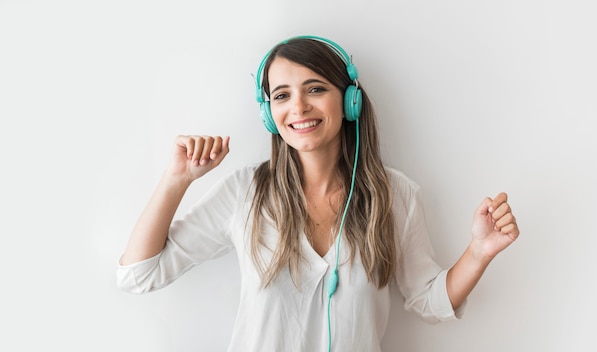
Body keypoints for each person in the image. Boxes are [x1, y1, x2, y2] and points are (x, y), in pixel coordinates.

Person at [117, 35, 520, 352]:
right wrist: (177, 180)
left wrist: (479, 251)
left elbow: (430, 302)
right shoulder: (246, 192)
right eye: (281, 95)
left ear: (349, 101)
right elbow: (138, 275)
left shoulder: (395, 195)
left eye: (315, 89)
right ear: (268, 114)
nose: (298, 108)